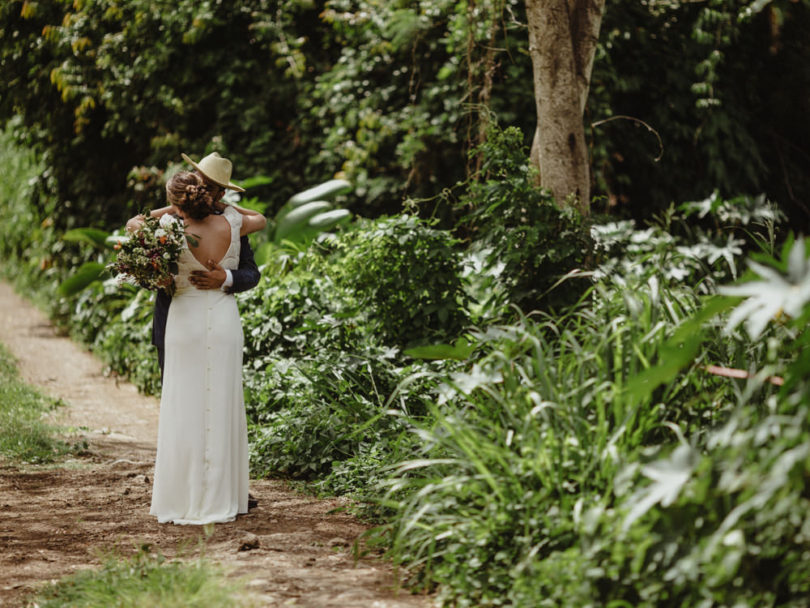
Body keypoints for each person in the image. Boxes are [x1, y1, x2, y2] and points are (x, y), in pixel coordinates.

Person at [127, 155, 266, 525]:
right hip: (179, 320)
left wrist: (227, 279)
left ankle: (212, 489)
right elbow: (261, 218)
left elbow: (251, 273)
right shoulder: (229, 222)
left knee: (203, 405)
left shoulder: (171, 224)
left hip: (195, 316)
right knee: (191, 406)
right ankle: (199, 488)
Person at [127, 153, 261, 376]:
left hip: (219, 324)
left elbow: (252, 274)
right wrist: (176, 206)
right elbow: (135, 230)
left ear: (221, 193)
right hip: (171, 320)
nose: (202, 190)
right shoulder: (169, 224)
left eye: (210, 187)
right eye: (200, 182)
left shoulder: (233, 225)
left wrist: (226, 277)